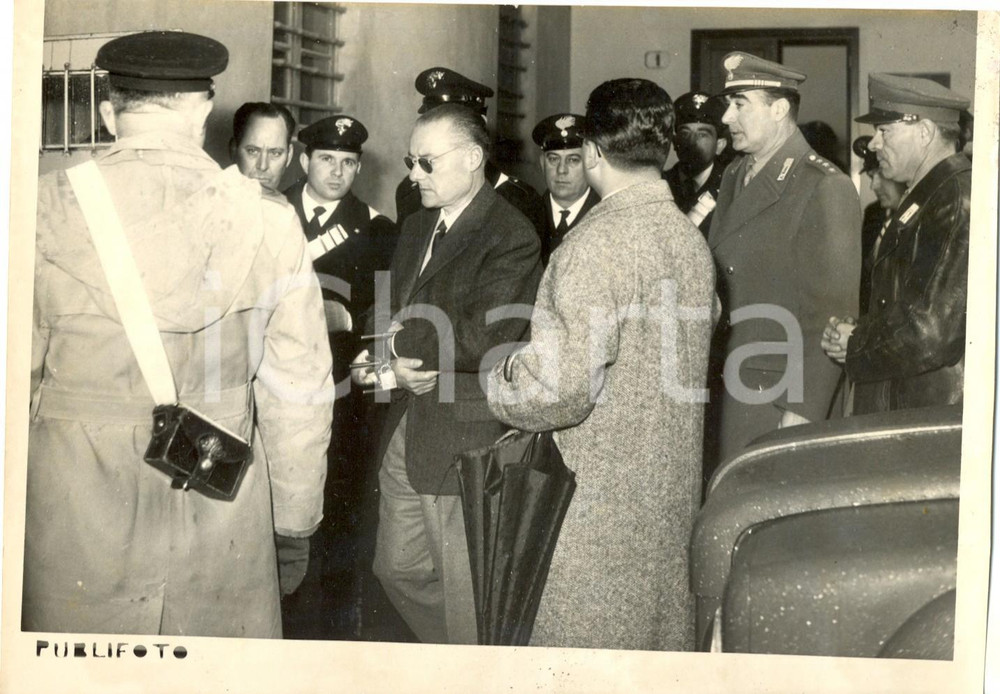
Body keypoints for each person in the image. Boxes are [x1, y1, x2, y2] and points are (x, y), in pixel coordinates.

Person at [24, 31, 333, 637]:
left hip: (75, 506)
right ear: (202, 112)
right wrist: (294, 521)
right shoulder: (268, 219)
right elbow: (298, 386)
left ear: (109, 113)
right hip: (218, 492)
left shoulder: (41, 209)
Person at [488, 78, 715, 650]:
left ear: (591, 151)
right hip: (666, 507)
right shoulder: (688, 239)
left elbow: (560, 390)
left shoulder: (593, 246)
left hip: (595, 516)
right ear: (665, 151)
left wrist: (504, 378)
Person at [353, 104, 542, 644]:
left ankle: (472, 667)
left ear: (473, 158)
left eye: (427, 162)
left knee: (465, 595)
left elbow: (487, 336)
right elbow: (383, 306)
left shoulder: (511, 234)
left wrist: (398, 345)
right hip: (406, 425)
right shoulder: (417, 226)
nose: (414, 175)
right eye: (411, 161)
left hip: (464, 436)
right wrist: (387, 362)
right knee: (398, 569)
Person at [708, 51, 861, 467]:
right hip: (729, 389)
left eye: (739, 105)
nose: (726, 118)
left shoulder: (823, 186)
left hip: (776, 401)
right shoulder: (735, 174)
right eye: (728, 105)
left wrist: (802, 414)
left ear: (778, 109)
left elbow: (831, 317)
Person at [821, 74, 971, 414]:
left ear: (925, 132)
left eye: (885, 131)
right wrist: (861, 329)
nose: (874, 144)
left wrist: (857, 343)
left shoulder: (953, 199)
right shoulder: (930, 194)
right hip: (912, 405)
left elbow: (932, 331)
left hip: (927, 414)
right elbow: (912, 303)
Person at [394, 67, 546, 236]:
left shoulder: (518, 200)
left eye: (453, 122)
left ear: (480, 124)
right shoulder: (410, 193)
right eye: (431, 120)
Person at [531, 113, 601, 264]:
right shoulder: (526, 216)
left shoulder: (605, 216)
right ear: (542, 164)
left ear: (590, 164)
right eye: (553, 159)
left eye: (573, 160)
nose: (561, 170)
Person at [662, 91, 731, 236]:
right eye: (685, 133)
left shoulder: (730, 186)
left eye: (702, 134)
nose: (692, 141)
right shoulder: (661, 185)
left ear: (720, 146)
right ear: (674, 142)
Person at [853, 135, 906, 315]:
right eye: (871, 177)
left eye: (881, 175)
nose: (874, 186)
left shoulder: (920, 214)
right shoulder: (873, 213)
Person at [230, 101, 296, 195]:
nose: (263, 166)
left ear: (289, 156)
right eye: (252, 151)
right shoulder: (211, 202)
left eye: (275, 153)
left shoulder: (289, 205)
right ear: (233, 150)